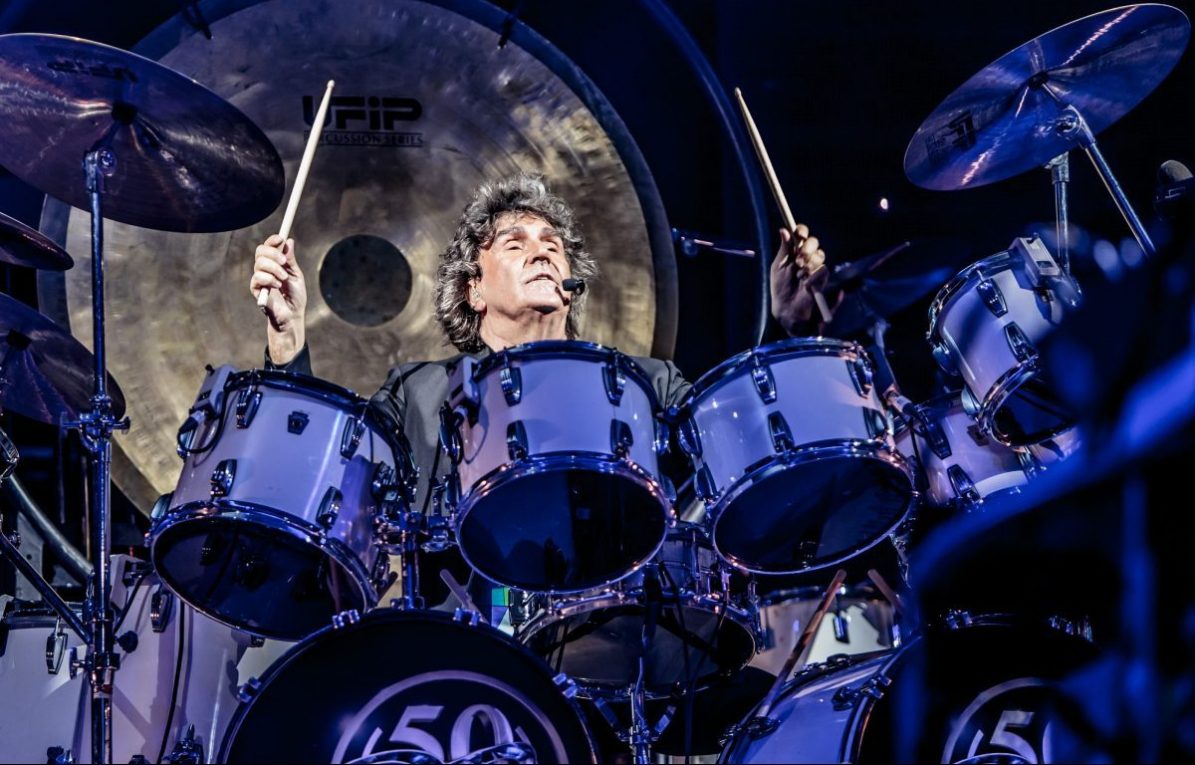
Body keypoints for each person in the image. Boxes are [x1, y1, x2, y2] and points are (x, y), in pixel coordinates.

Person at [250, 173, 827, 516]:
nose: (543, 250)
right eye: (515, 243)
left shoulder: (649, 384)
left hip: (618, 639)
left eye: (553, 243)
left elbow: (743, 444)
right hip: (464, 648)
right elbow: (327, 479)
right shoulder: (418, 394)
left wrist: (789, 327)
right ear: (473, 289)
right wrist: (288, 337)